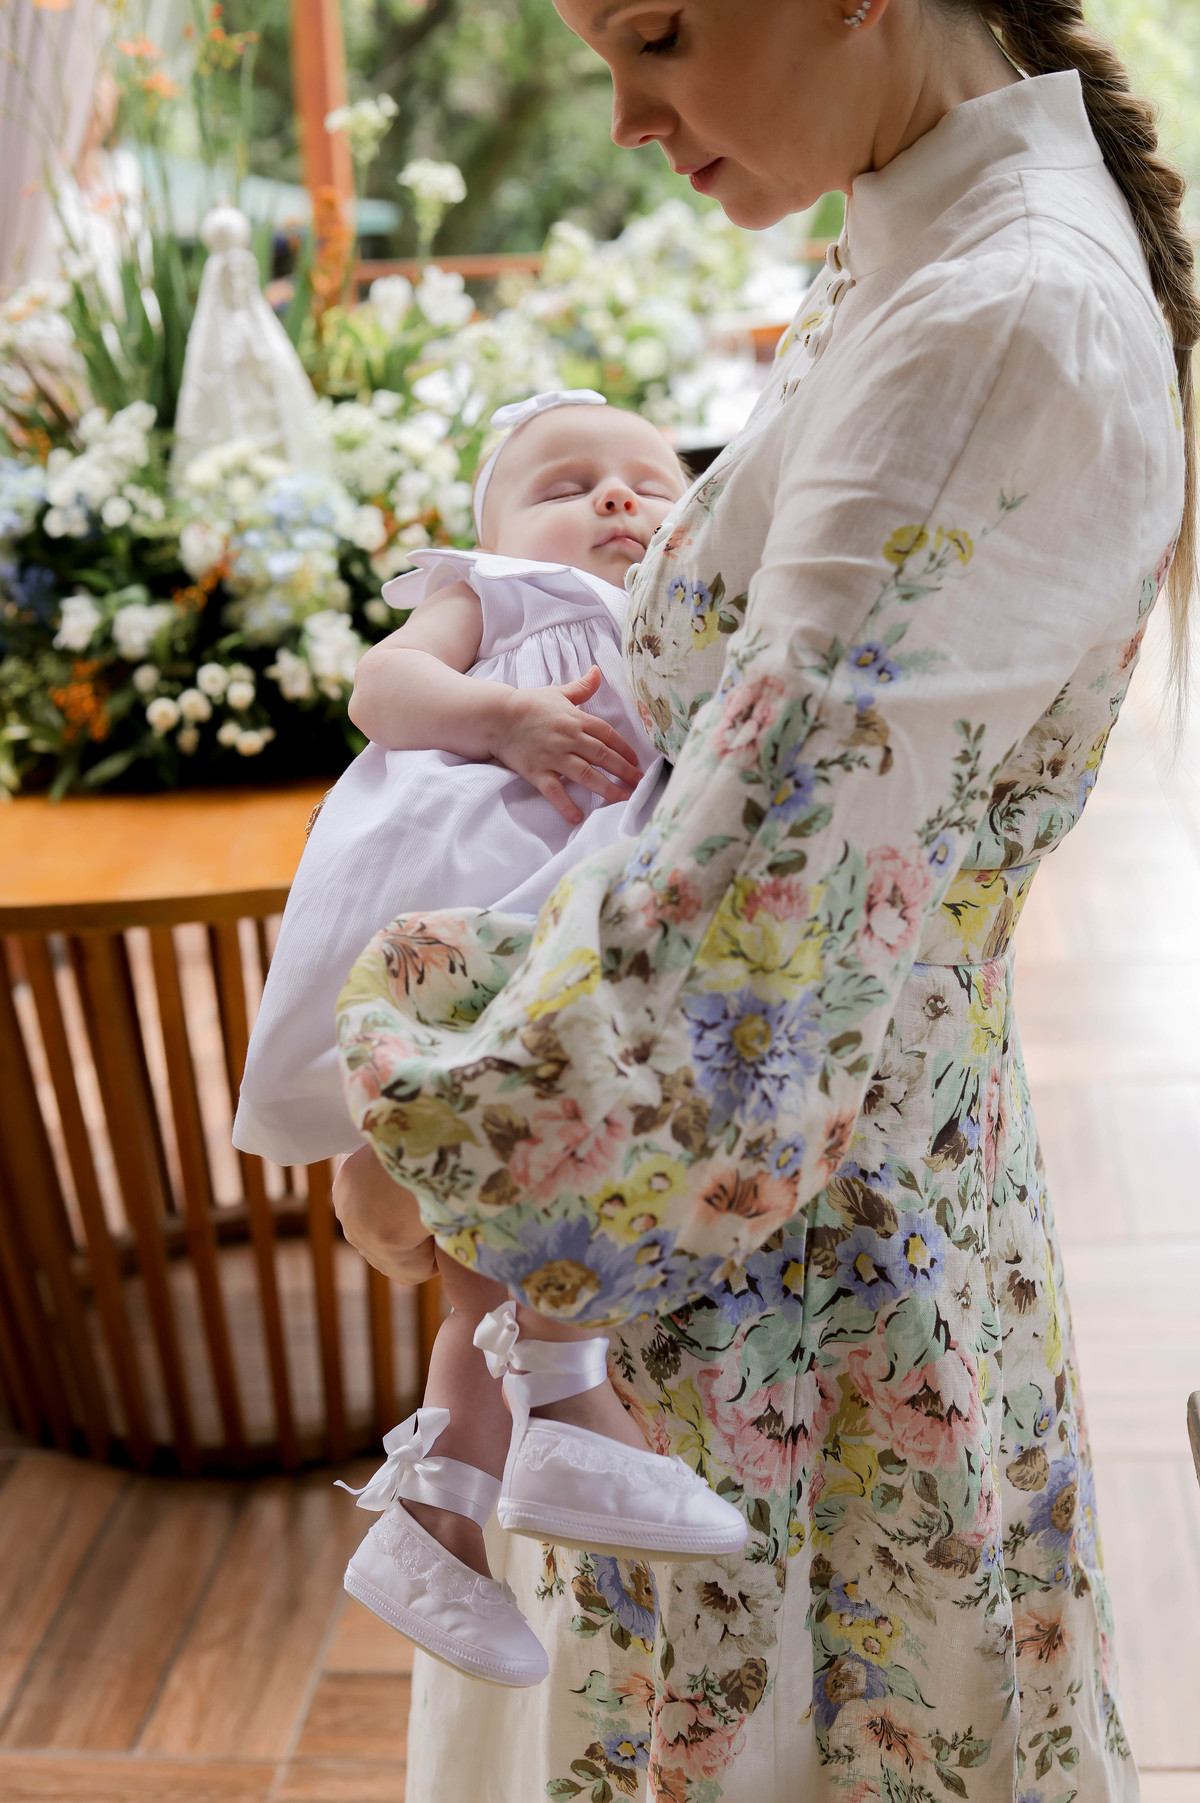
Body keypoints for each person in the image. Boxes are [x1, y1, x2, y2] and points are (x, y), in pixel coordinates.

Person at [333, 0, 1197, 1797]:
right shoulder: (918, 233)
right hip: (785, 1235)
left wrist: (431, 1131)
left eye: (660, 35)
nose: (630, 116)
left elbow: (757, 934)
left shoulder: (997, 310)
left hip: (785, 1284)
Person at [236, 391, 747, 1688]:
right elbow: (381, 685)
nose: (618, 499)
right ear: (500, 529)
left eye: (646, 478)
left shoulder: (687, 604)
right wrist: (502, 719)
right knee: (497, 1136)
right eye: (566, 483)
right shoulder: (503, 597)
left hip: (586, 904)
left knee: (519, 1163)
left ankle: (438, 1510)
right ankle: (558, 1407)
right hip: (480, 887)